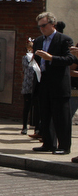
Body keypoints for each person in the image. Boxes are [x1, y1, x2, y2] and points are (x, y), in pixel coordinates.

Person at [32, 12, 75, 156]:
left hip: (59, 84)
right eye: (39, 27)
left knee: (61, 117)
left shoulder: (64, 40)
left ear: (52, 24)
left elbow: (70, 59)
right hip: (43, 82)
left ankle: (64, 146)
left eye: (44, 26)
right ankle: (48, 143)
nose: (41, 29)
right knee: (45, 115)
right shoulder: (38, 41)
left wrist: (51, 58)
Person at [20, 39, 37, 136]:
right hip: (27, 84)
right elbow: (26, 67)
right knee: (27, 106)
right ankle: (24, 126)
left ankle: (34, 125)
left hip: (35, 83)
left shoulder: (38, 58)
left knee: (35, 106)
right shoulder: (25, 58)